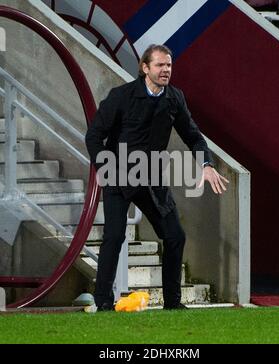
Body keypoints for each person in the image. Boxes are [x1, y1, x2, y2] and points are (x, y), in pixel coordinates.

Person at [85, 44, 229, 311]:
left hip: (151, 178)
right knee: (114, 236)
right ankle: (103, 303)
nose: (166, 70)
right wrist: (108, 169)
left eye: (169, 65)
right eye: (160, 65)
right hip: (118, 177)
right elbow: (93, 136)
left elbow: (194, 136)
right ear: (145, 68)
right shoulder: (121, 96)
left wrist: (206, 164)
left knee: (175, 236)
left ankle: (172, 304)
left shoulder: (175, 98)